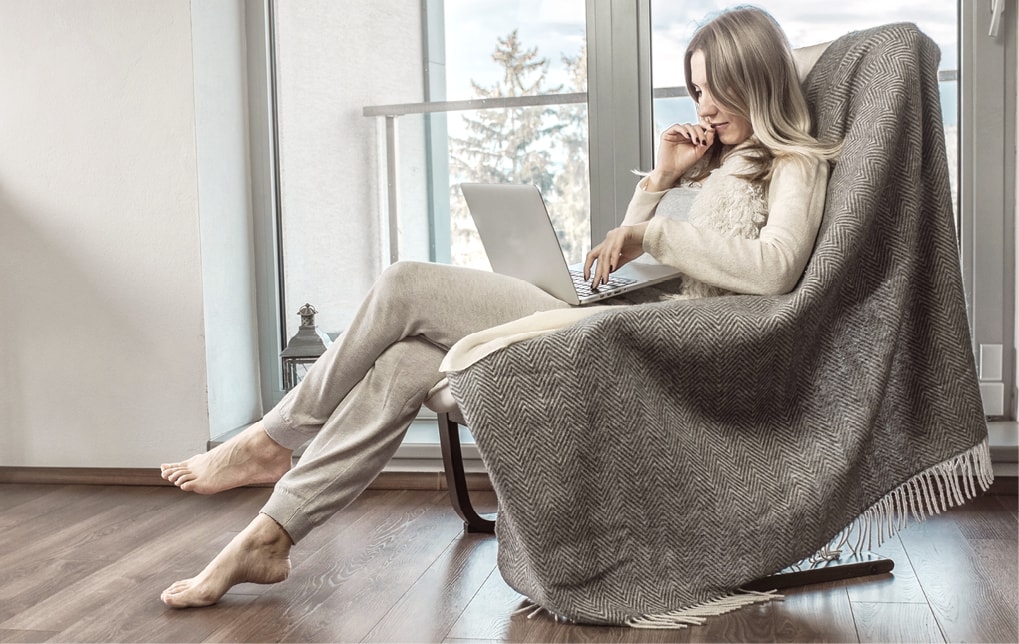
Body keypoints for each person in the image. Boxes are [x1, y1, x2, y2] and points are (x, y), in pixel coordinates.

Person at [159, 5, 839, 608]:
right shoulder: (720, 164)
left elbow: (775, 271)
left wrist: (653, 229)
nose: (703, 106)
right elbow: (647, 263)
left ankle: (273, 439)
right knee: (401, 363)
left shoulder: (795, 162)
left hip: (641, 347)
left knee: (403, 282)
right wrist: (659, 184)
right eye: (695, 89)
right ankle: (270, 534)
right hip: (615, 320)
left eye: (714, 89)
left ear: (755, 79)